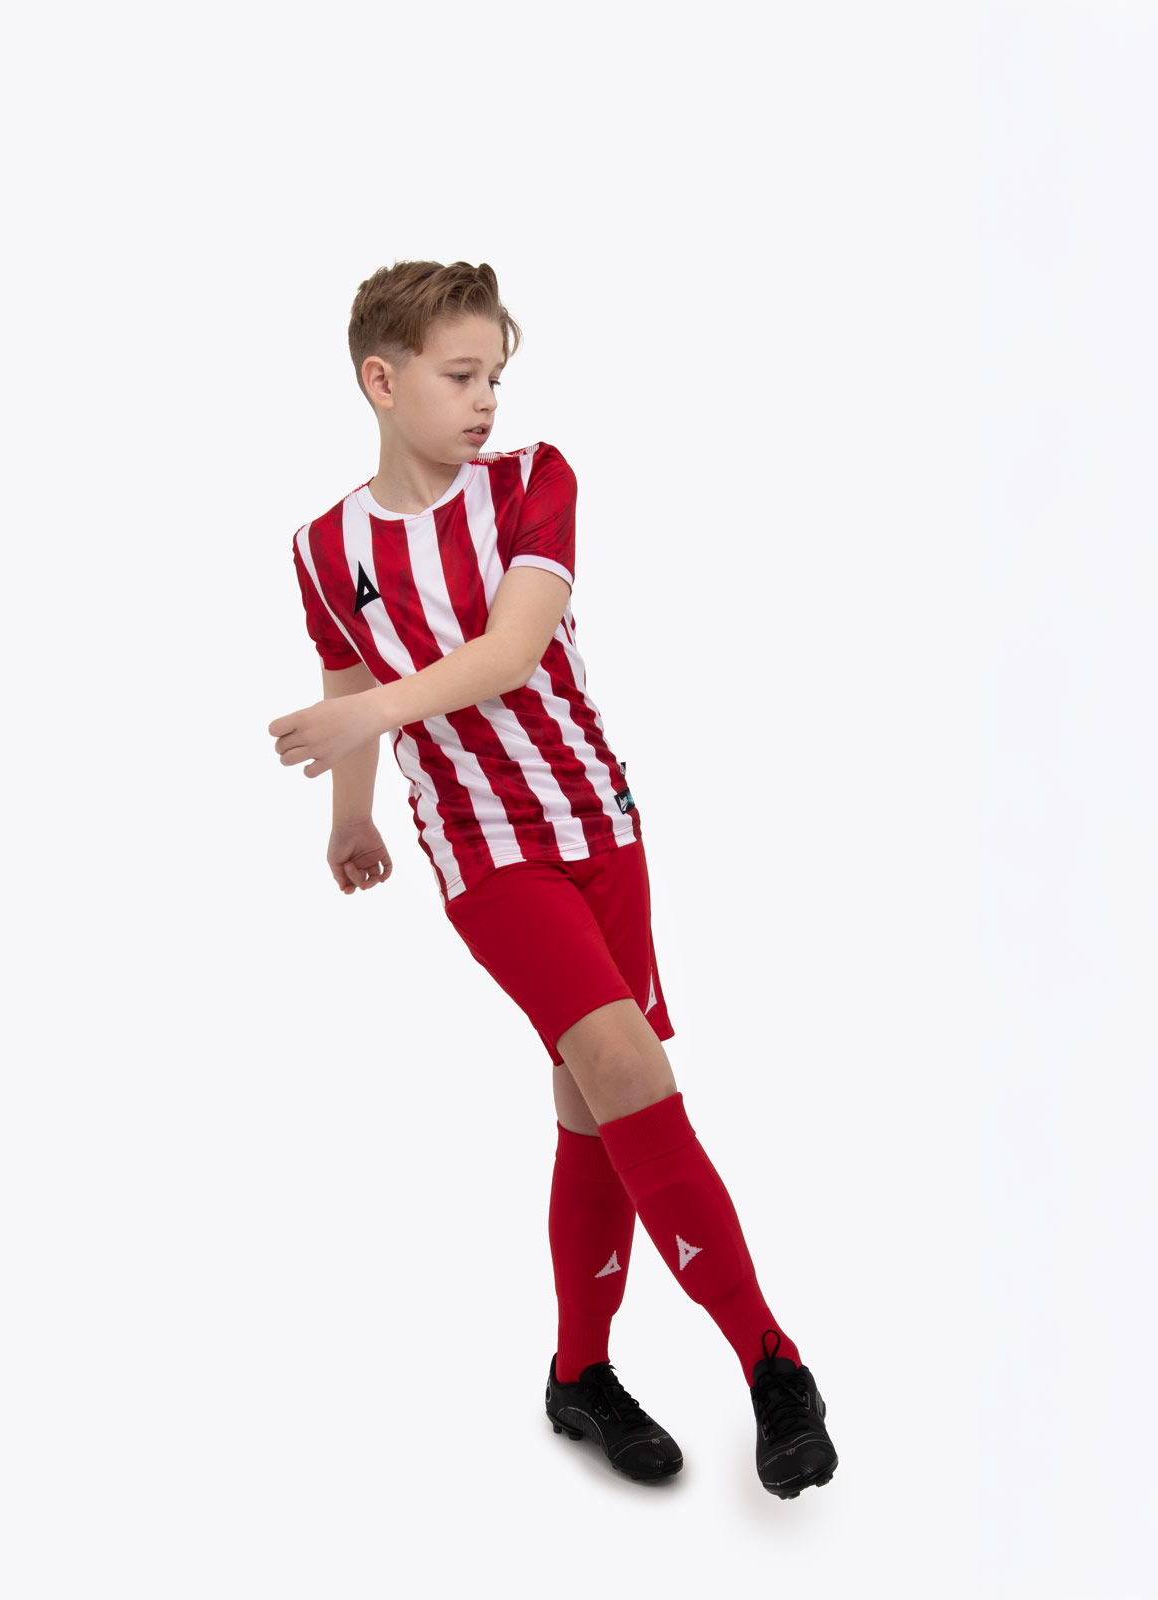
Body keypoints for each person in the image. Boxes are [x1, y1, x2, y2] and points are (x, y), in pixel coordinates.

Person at [267, 259, 838, 1499]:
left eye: (496, 378)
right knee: (629, 1064)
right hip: (488, 855)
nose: (485, 402)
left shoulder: (535, 481)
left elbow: (514, 650)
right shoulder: (321, 548)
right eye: (460, 376)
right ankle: (773, 1365)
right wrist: (350, 816)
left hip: (602, 826)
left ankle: (578, 1373)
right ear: (383, 378)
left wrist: (367, 723)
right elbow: (346, 677)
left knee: (592, 1102)